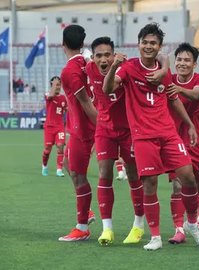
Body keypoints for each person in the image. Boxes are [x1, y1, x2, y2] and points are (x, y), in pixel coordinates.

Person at [103, 23, 199, 250]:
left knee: (188, 177)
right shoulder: (129, 68)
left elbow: (173, 98)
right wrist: (113, 67)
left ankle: (192, 224)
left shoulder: (165, 71)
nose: (148, 46)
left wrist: (190, 124)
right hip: (143, 137)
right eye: (145, 42)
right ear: (138, 44)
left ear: (159, 46)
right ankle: (155, 236)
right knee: (149, 184)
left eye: (153, 43)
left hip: (168, 134)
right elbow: (108, 89)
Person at [86, 36, 145, 246]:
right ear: (92, 58)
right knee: (104, 173)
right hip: (104, 129)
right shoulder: (88, 70)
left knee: (133, 175)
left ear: (114, 55)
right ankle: (107, 229)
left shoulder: (126, 69)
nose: (103, 60)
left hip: (129, 129)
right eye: (99, 56)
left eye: (107, 55)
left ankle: (138, 225)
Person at [166, 43, 199, 244]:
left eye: (187, 60)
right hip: (175, 140)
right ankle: (179, 229)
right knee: (177, 186)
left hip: (198, 140)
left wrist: (178, 89)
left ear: (194, 64)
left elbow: (196, 94)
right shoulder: (169, 79)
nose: (182, 63)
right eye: (179, 60)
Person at [58, 25, 97, 242]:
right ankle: (87, 211)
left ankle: (82, 225)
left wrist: (104, 130)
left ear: (62, 44)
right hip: (79, 128)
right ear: (82, 43)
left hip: (84, 129)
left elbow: (87, 104)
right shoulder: (86, 62)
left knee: (79, 175)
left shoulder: (69, 72)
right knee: (67, 163)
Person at [40, 76, 66, 177]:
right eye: (56, 85)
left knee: (60, 146)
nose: (58, 87)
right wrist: (54, 85)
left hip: (59, 126)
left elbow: (68, 111)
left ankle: (59, 170)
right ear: (52, 85)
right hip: (49, 127)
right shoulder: (48, 95)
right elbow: (51, 94)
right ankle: (44, 166)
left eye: (59, 84)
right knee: (47, 149)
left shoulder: (63, 98)